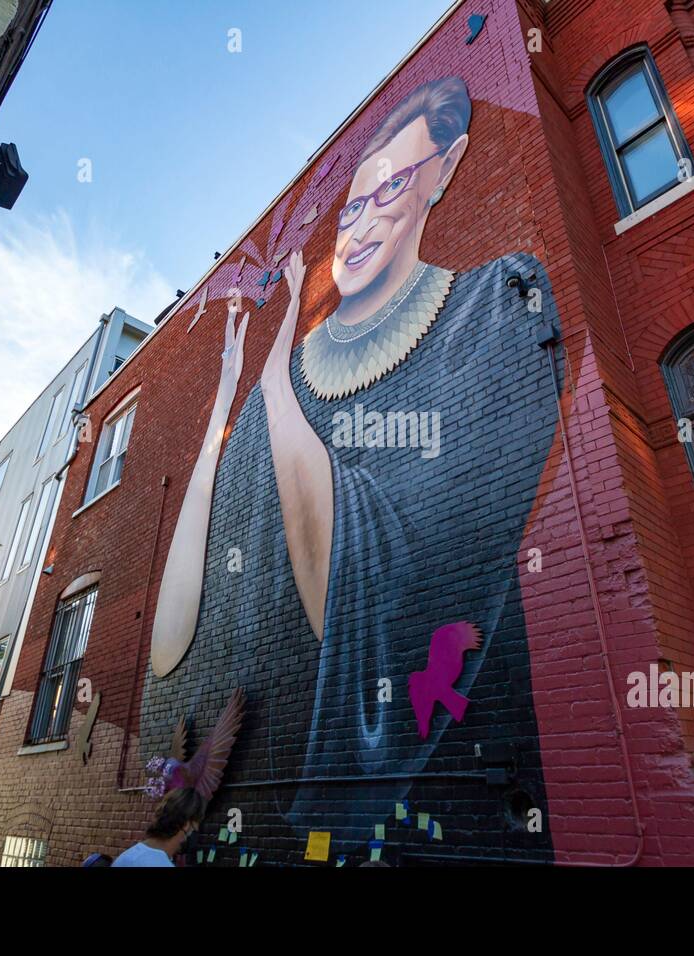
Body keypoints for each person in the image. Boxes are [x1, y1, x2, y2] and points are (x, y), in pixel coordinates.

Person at [147, 75, 560, 843]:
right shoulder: (277, 392)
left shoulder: (494, 310)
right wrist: (224, 412)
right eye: (351, 204)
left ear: (446, 171)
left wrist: (272, 385)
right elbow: (172, 642)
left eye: (392, 188)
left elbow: (372, 598)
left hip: (451, 825)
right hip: (256, 827)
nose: (359, 224)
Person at [112, 787, 206, 867]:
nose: (193, 833)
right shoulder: (160, 864)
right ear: (186, 825)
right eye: (193, 829)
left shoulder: (128, 856)